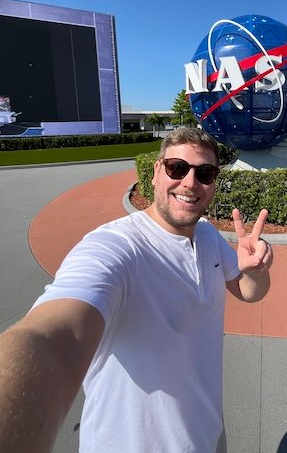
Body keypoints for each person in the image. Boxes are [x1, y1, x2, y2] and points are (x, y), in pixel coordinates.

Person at [0, 127, 273, 453]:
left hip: (208, 437)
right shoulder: (116, 247)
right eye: (177, 168)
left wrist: (256, 271)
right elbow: (53, 340)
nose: (190, 182)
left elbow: (249, 292)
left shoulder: (208, 236)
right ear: (156, 172)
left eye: (205, 173)